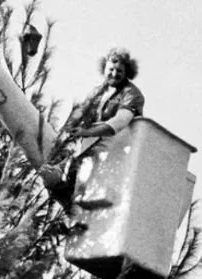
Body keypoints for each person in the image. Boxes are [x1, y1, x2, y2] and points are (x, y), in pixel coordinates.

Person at [40, 47, 145, 205]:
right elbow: (81, 111)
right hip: (92, 141)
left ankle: (61, 174)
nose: (114, 74)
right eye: (111, 69)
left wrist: (86, 131)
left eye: (119, 71)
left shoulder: (132, 94)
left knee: (88, 158)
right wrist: (68, 128)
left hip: (118, 144)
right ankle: (63, 190)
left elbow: (119, 123)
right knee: (76, 163)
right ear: (104, 68)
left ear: (127, 72)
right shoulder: (98, 91)